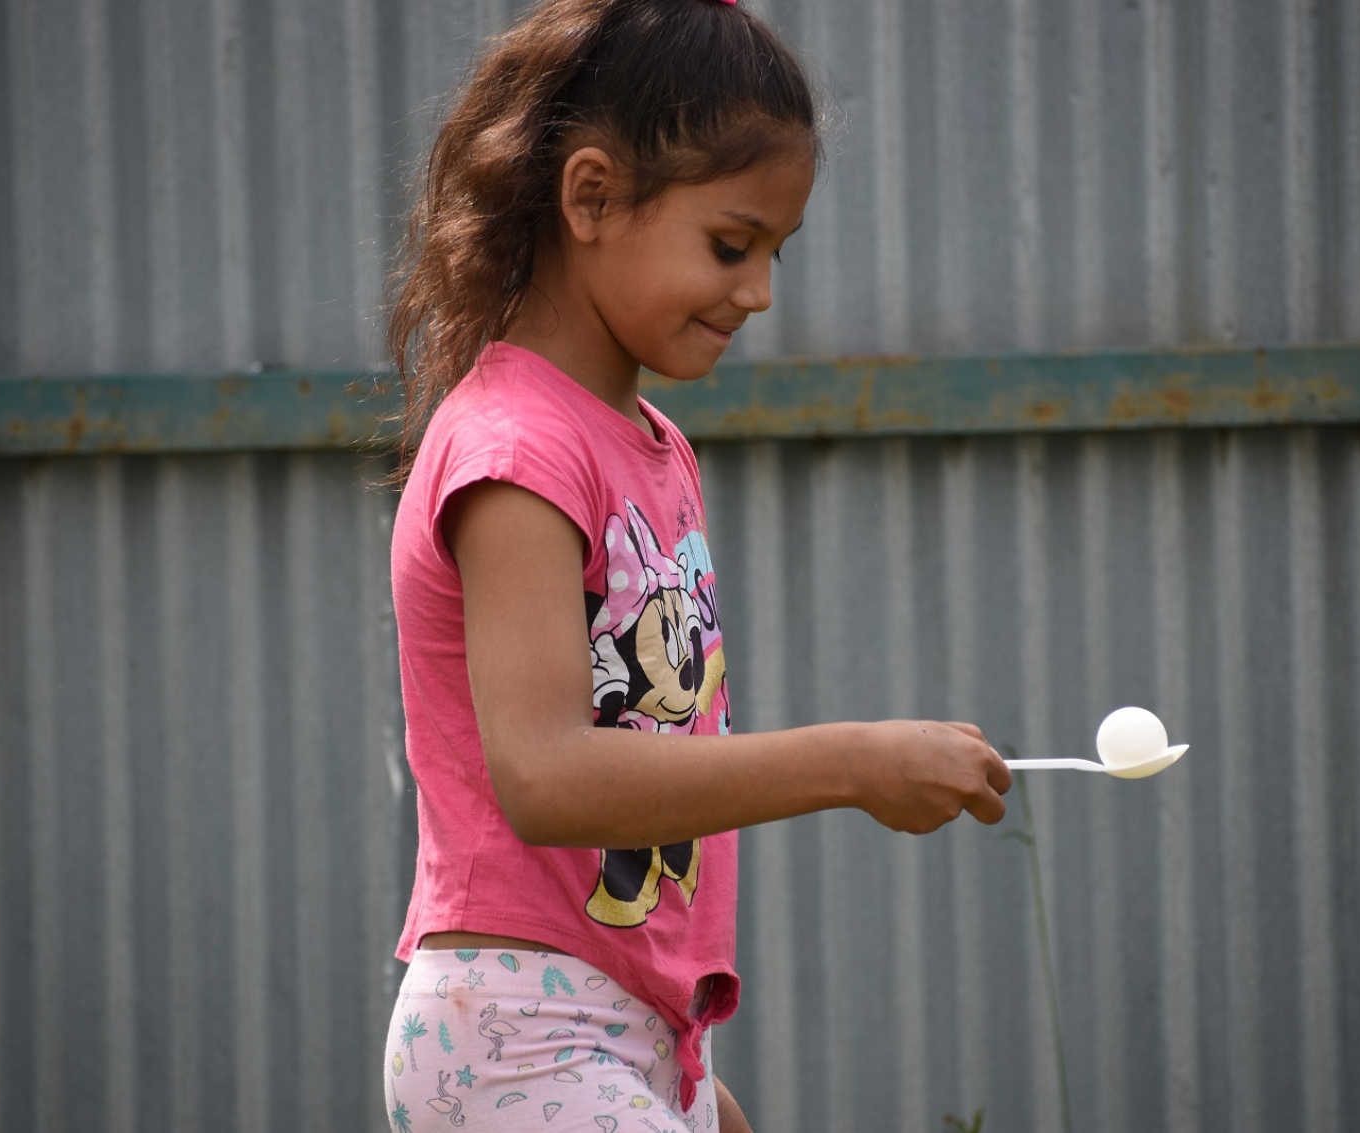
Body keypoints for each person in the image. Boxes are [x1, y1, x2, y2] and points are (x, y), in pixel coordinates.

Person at [380, 1, 1012, 1129]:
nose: (759, 291)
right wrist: (853, 762)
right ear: (589, 196)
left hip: (615, 1025)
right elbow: (546, 777)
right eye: (731, 245)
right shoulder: (516, 452)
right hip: (518, 1033)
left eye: (775, 252)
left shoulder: (655, 448)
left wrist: (681, 1074)